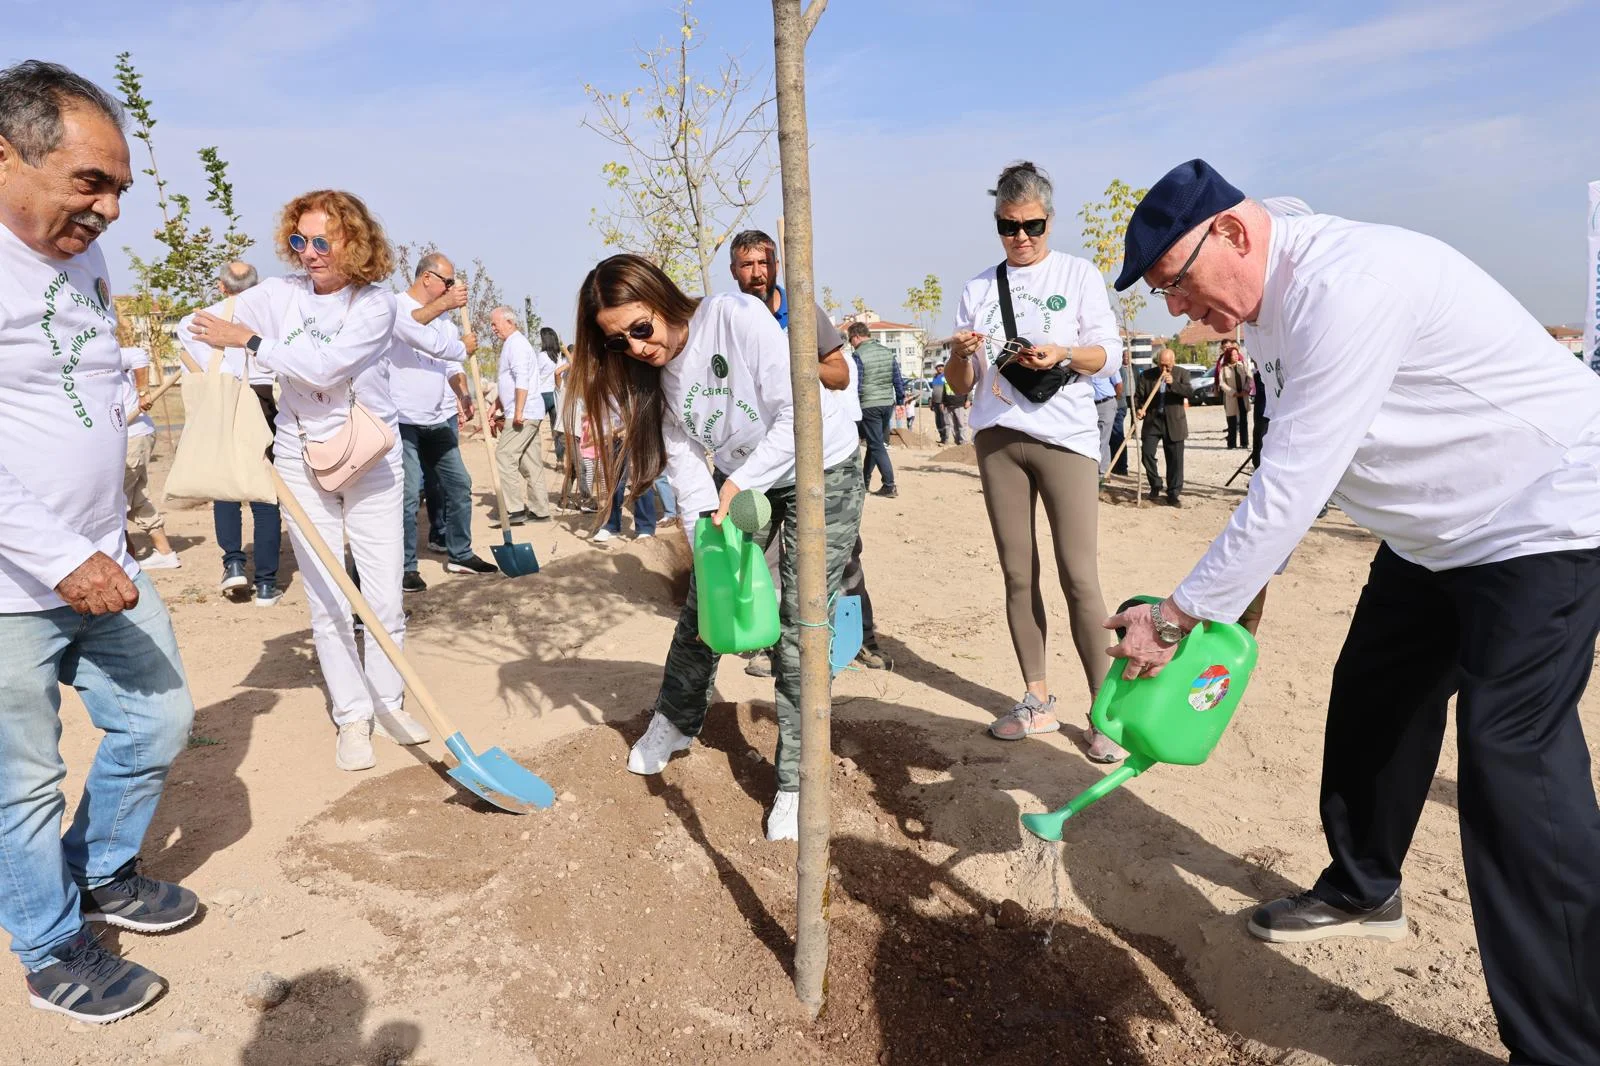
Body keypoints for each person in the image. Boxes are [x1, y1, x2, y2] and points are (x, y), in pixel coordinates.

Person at [1109, 158, 1600, 1066]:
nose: (1175, 311)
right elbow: (1301, 469)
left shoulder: (1350, 286)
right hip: (1434, 532)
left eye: (1176, 283)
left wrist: (1178, 615)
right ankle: (1365, 886)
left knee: (1512, 753)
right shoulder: (1266, 306)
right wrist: (1235, 609)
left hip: (1544, 510)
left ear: (1235, 234)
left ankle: (1571, 1043)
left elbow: (1293, 481)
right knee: (1376, 690)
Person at [0, 58, 198, 1023]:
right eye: (91, 182)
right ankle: (49, 944)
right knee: (22, 779)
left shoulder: (79, 252)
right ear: (5, 156)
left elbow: (78, 368)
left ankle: (100, 872)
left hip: (99, 555)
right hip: (15, 582)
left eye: (118, 186)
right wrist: (59, 555)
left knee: (156, 719)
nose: (111, 208)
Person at [573, 254, 863, 841]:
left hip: (818, 469)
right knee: (708, 602)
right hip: (742, 483)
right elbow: (681, 451)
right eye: (618, 341)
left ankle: (795, 780)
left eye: (640, 328)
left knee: (800, 619)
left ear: (661, 300)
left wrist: (736, 484)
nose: (635, 347)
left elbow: (795, 413)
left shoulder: (735, 318)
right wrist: (701, 522)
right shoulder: (652, 375)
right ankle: (676, 721)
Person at [190, 188, 432, 771]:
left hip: (371, 454)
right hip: (299, 458)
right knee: (326, 596)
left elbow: (326, 367)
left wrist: (249, 342)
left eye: (323, 241)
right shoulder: (279, 295)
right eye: (299, 241)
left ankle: (389, 700)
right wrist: (225, 354)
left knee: (380, 594)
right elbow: (192, 329)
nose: (310, 253)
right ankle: (353, 717)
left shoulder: (377, 305)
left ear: (353, 241)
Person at [944, 161, 1124, 761]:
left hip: (1066, 438)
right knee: (1018, 573)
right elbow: (956, 385)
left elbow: (1108, 354)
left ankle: (1105, 714)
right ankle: (1036, 699)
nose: (1020, 237)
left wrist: (1064, 353)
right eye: (1008, 226)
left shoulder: (1079, 274)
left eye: (1032, 226)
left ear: (1050, 219)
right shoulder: (976, 288)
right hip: (998, 439)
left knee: (1080, 576)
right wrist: (963, 354)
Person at [727, 229, 887, 672]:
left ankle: (862, 640)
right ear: (733, 271)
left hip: (820, 452)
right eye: (747, 265)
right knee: (765, 550)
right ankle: (770, 642)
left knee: (844, 551)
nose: (757, 273)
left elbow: (838, 375)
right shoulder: (731, 319)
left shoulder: (801, 311)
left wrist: (795, 359)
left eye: (764, 263)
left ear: (777, 265)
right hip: (763, 458)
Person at [177, 262, 284, 605]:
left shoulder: (194, 321)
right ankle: (267, 583)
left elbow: (195, 367)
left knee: (225, 486)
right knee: (265, 492)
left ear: (221, 287)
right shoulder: (275, 318)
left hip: (221, 401)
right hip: (264, 401)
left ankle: (234, 564)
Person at [390, 252, 496, 591]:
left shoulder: (447, 323)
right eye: (447, 282)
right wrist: (447, 306)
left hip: (438, 419)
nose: (451, 288)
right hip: (401, 417)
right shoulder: (394, 306)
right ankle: (405, 566)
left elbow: (453, 365)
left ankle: (460, 552)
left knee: (459, 484)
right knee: (407, 495)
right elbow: (411, 324)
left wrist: (462, 393)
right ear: (427, 279)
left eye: (452, 284)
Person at [118, 344, 181, 569]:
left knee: (113, 501)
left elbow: (137, 354)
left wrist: (143, 391)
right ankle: (165, 552)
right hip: (130, 436)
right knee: (136, 499)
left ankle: (123, 559)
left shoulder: (100, 353)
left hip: (132, 436)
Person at [488, 307, 552, 527]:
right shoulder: (514, 344)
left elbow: (522, 380)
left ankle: (514, 509)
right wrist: (496, 405)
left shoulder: (516, 344)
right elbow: (510, 382)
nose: (493, 328)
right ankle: (540, 509)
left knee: (504, 456)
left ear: (509, 322)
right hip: (528, 411)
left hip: (523, 413)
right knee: (530, 462)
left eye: (495, 324)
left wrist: (517, 412)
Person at [1134, 348, 1194, 506]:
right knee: (1146, 453)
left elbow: (1189, 392)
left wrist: (1173, 383)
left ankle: (1173, 493)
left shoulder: (1182, 374)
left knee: (1175, 460)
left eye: (1167, 365)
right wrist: (1139, 408)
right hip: (1153, 421)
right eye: (1161, 365)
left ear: (1173, 362)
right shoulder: (1147, 376)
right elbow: (1138, 397)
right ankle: (1155, 484)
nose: (1164, 368)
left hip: (1174, 422)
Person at [851, 321, 904, 497]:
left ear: (857, 336)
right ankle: (864, 481)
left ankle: (889, 485)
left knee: (876, 445)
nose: (851, 344)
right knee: (875, 444)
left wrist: (854, 405)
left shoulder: (858, 355)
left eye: (851, 340)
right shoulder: (887, 352)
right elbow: (897, 379)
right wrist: (901, 399)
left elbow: (857, 383)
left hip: (869, 404)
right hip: (887, 403)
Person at [1217, 340, 1252, 449]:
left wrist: (1245, 390)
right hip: (1232, 398)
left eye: (1237, 354)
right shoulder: (1224, 368)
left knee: (1243, 420)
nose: (1236, 357)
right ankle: (1231, 443)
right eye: (1233, 355)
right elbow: (1222, 383)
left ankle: (1244, 443)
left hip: (1243, 396)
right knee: (1232, 421)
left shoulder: (1243, 365)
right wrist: (1233, 393)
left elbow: (1249, 378)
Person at [537, 326, 563, 462]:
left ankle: (533, 457)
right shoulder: (559, 355)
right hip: (556, 394)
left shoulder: (541, 356)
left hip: (543, 394)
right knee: (557, 428)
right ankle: (560, 460)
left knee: (534, 427)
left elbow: (536, 375)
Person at [1091, 357, 1118, 477]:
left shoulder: (1108, 364)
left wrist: (1112, 402)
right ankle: (1102, 469)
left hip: (1106, 403)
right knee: (1096, 438)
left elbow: (1119, 384)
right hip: (1092, 405)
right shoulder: (1086, 367)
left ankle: (1101, 472)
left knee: (1103, 438)